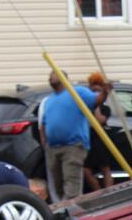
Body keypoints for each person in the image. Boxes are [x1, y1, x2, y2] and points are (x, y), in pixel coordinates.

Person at [40, 69, 108, 201]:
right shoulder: (49, 100)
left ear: (64, 78)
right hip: (53, 148)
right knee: (58, 186)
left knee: (71, 185)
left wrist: (105, 92)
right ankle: (64, 209)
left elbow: (97, 100)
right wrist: (45, 142)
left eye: (54, 75)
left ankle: (72, 211)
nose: (51, 78)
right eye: (50, 76)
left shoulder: (77, 92)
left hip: (73, 146)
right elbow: (44, 122)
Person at [83, 72, 116, 192]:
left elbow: (99, 121)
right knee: (86, 169)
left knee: (105, 168)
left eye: (99, 88)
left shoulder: (105, 108)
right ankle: (98, 192)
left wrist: (96, 105)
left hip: (100, 140)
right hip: (87, 140)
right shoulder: (85, 106)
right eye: (93, 88)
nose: (96, 92)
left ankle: (109, 192)